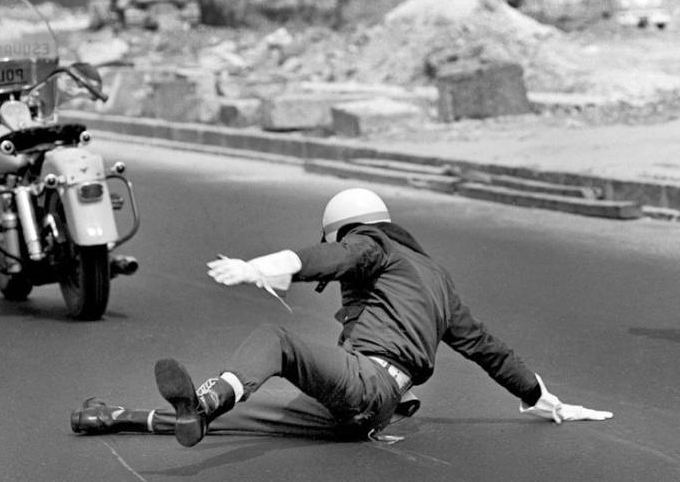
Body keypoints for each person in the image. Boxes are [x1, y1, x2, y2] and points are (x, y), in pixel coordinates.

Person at [71, 188, 613, 446]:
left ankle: (210, 394)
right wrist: (543, 397)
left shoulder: (370, 245)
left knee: (277, 339)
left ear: (347, 231)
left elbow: (329, 258)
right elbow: (488, 350)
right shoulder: (439, 281)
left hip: (367, 385)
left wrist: (260, 266)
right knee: (239, 420)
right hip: (369, 410)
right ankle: (120, 416)